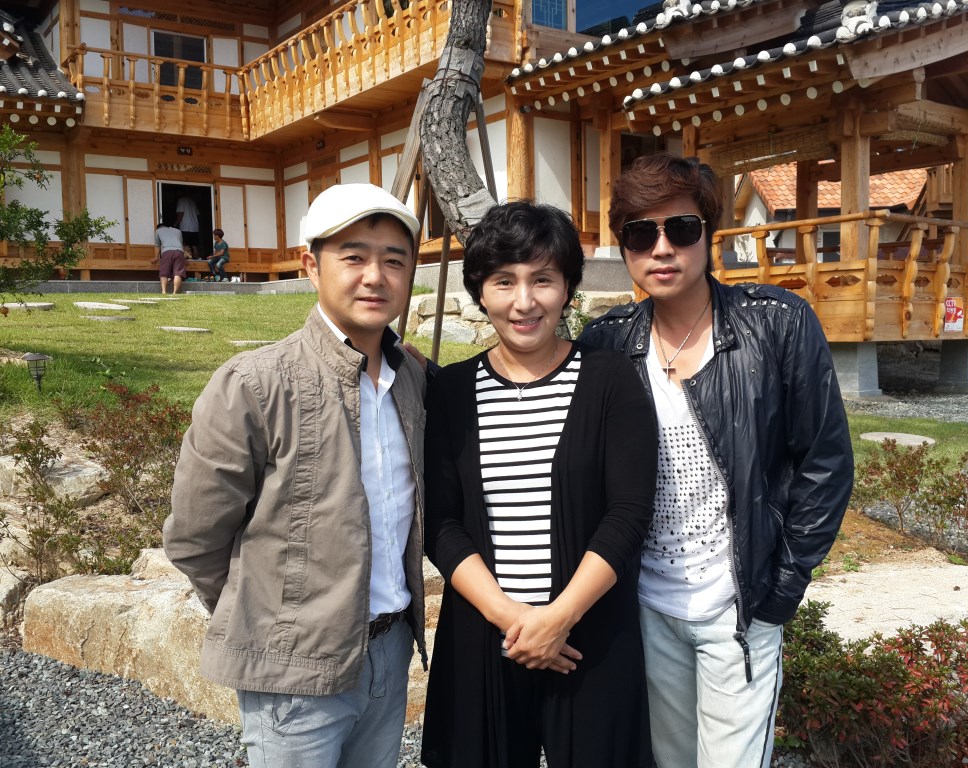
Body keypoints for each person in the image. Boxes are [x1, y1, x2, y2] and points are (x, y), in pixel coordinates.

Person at [578, 153, 854, 768]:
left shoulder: (777, 324)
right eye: (640, 234)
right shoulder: (607, 342)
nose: (662, 248)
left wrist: (782, 590)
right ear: (623, 246)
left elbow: (825, 462)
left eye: (680, 228)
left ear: (709, 233)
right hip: (646, 606)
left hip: (738, 609)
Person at [163, 183, 428, 768]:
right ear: (311, 265)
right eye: (353, 257)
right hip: (293, 671)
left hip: (391, 651)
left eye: (394, 261)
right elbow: (194, 537)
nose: (375, 277)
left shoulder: (412, 378)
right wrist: (273, 624)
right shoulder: (256, 383)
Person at [421, 201, 658, 768]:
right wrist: (516, 622)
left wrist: (558, 619)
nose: (524, 302)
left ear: (568, 288)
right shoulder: (451, 392)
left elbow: (628, 513)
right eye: (504, 281)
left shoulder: (610, 379)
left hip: (589, 637)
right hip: (484, 635)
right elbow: (441, 523)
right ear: (481, 292)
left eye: (543, 279)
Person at [152, 216, 186, 295]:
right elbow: (181, 244)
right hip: (179, 252)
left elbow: (157, 246)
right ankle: (175, 293)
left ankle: (164, 291)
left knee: (164, 273)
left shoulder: (158, 231)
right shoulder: (178, 231)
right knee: (178, 273)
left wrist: (156, 258)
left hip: (167, 251)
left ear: (158, 227)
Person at [175, 194, 201, 259]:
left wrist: (175, 224)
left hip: (185, 226)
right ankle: (198, 258)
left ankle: (188, 259)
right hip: (195, 227)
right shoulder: (193, 201)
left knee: (185, 245)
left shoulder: (181, 200)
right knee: (194, 245)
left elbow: (181, 214)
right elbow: (197, 214)